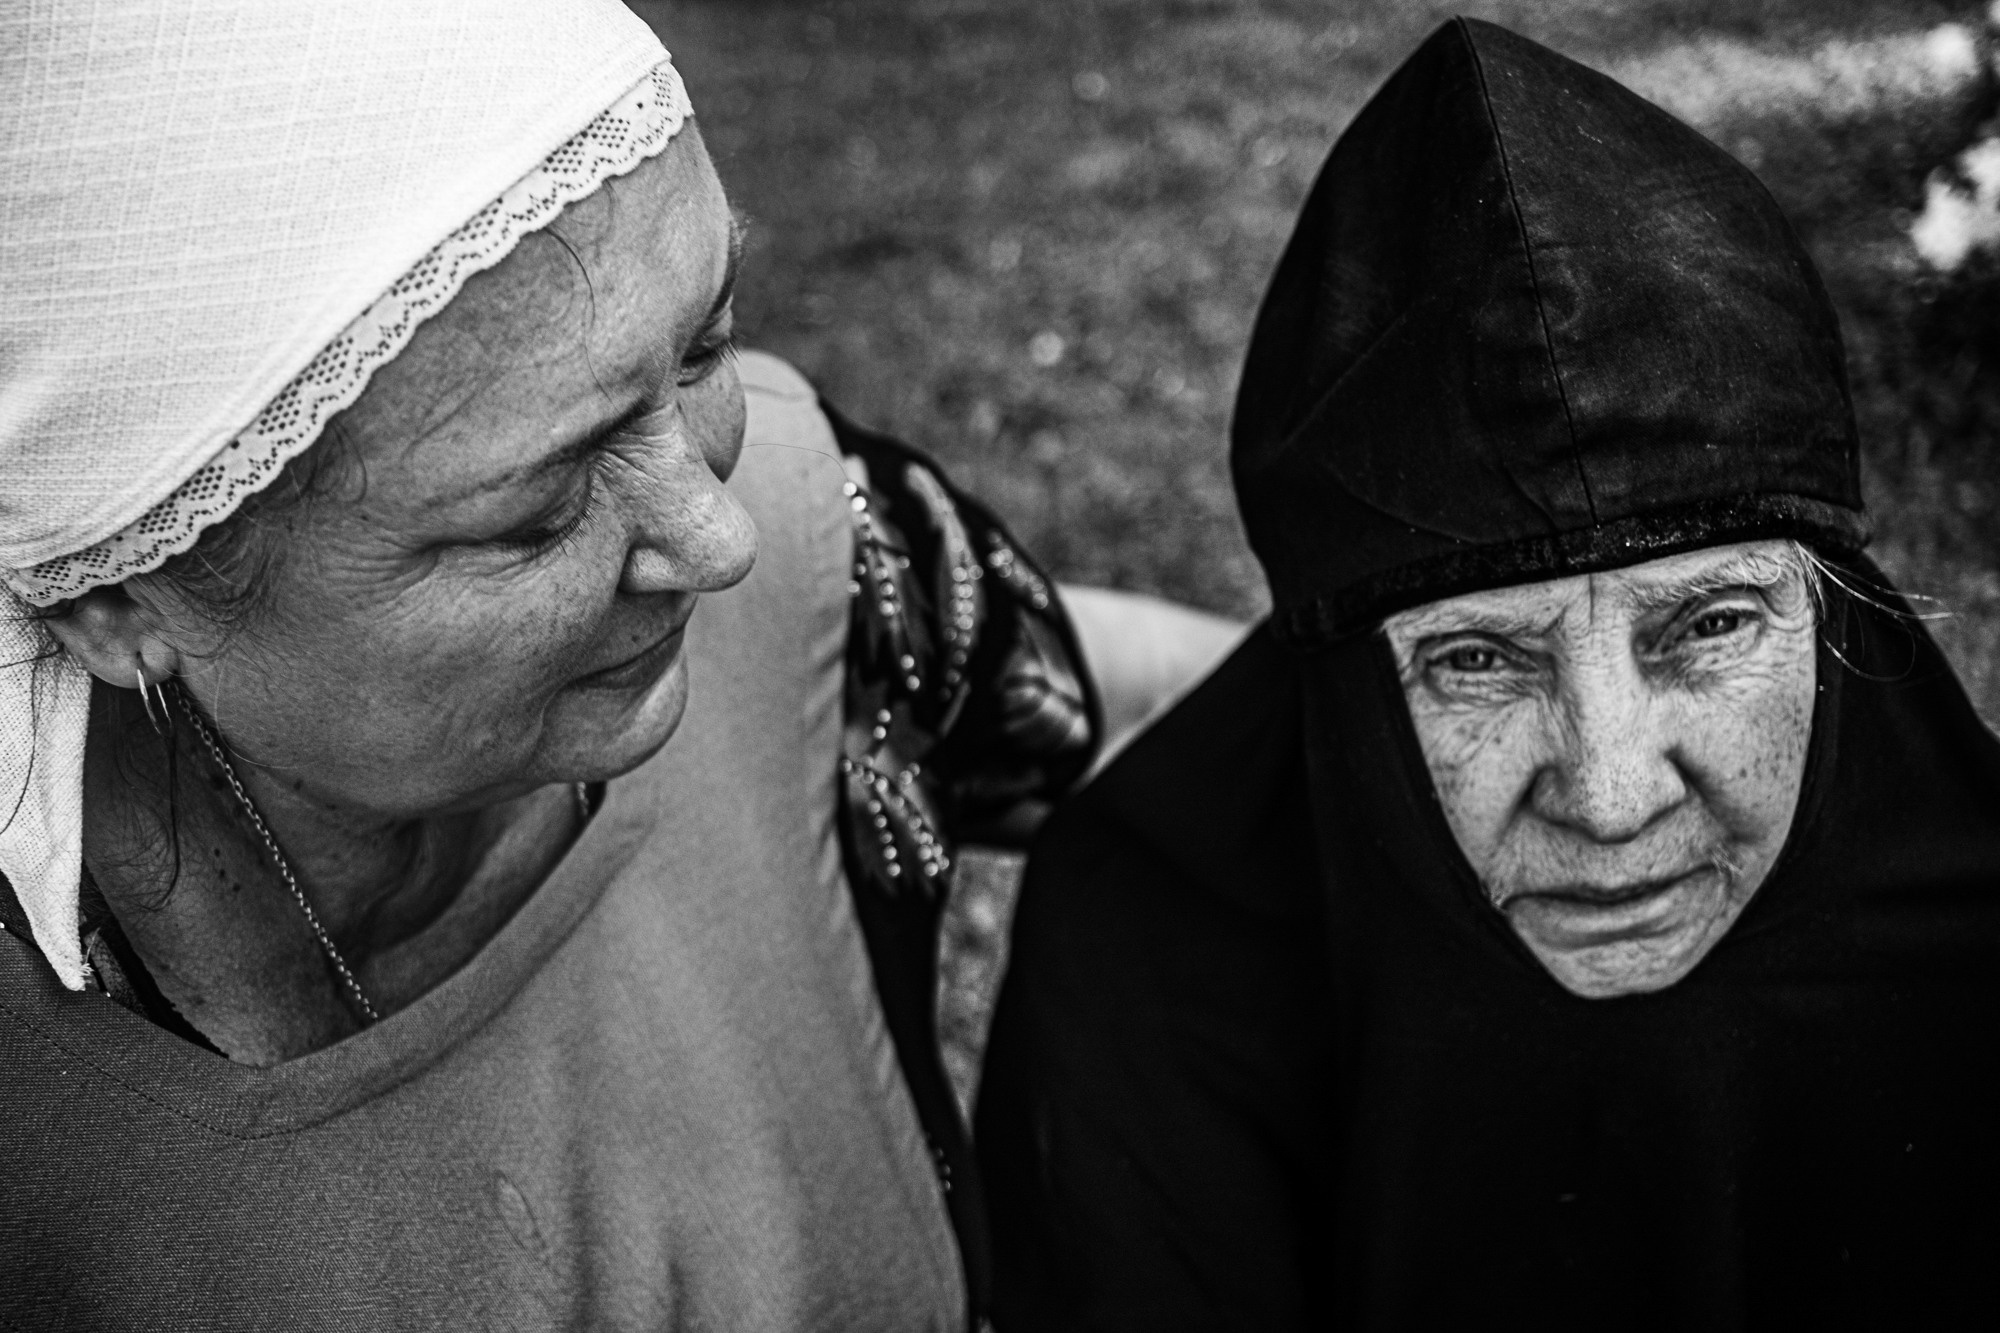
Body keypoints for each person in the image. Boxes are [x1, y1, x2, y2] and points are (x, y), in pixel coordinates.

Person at [0, 2, 1231, 1325]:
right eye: (534, 515)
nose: (719, 537)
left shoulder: (837, 562)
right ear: (118, 604)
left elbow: (1161, 720)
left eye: (705, 346)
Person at [977, 18, 2000, 1329]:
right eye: (1475, 658)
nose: (1614, 793)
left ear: (1838, 614)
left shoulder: (1967, 908)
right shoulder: (1159, 971)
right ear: (1341, 698)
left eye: (1708, 628)